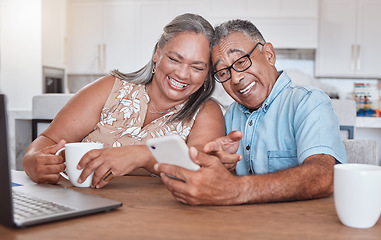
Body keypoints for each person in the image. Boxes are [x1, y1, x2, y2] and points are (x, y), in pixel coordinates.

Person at [154, 19, 347, 205]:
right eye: (223, 72)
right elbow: (217, 185)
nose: (236, 78)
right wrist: (223, 166)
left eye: (241, 61)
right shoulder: (230, 115)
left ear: (269, 55)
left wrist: (237, 189)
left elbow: (325, 175)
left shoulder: (308, 101)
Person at [22, 13, 225, 189]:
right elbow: (49, 140)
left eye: (197, 67)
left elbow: (202, 168)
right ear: (157, 54)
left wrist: (141, 155)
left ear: (207, 73)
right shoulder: (110, 88)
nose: (182, 74)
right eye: (174, 59)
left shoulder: (206, 111)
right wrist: (32, 161)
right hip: (81, 207)